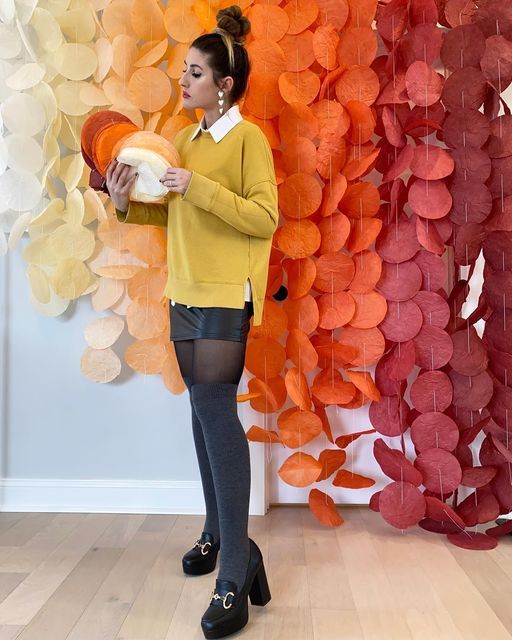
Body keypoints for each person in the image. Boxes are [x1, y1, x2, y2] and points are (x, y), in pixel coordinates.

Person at [106, 5, 276, 638]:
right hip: (183, 291)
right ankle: (224, 538)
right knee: (203, 415)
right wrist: (127, 205)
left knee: (214, 412)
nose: (183, 81)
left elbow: (264, 217)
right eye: (183, 70)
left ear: (224, 84)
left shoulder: (247, 139)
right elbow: (171, 218)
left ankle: (234, 570)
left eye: (195, 72)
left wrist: (195, 185)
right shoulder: (182, 141)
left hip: (227, 292)